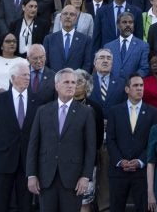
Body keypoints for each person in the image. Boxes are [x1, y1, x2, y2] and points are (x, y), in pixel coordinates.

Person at [28, 69, 97, 212]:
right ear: (57, 85)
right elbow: (33, 145)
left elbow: (91, 148)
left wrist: (86, 176)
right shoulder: (43, 111)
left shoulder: (86, 112)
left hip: (73, 179)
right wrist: (32, 174)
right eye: (67, 82)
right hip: (46, 177)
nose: (71, 85)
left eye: (74, 82)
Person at [105, 73, 156, 212]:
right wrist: (120, 160)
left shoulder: (153, 112)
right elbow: (110, 139)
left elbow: (153, 142)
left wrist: (140, 161)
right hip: (118, 172)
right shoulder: (115, 111)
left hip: (142, 172)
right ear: (127, 89)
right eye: (135, 85)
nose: (139, 88)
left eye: (141, 85)